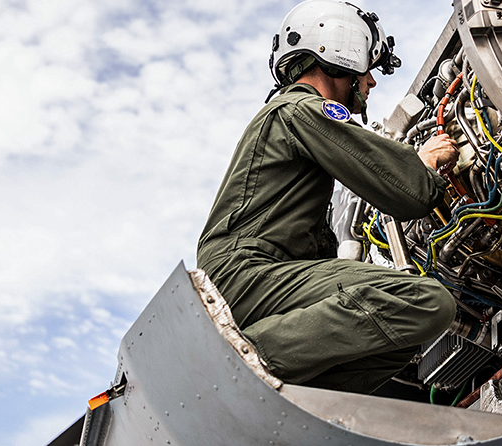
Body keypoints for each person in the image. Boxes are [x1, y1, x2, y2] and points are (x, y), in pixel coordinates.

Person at [196, 0, 461, 394]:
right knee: (426, 302)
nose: (371, 82)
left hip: (258, 275)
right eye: (368, 69)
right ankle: (239, 366)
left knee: (395, 345)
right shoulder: (299, 109)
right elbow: (411, 194)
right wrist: (422, 164)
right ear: (342, 53)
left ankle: (289, 400)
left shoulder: (292, 117)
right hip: (246, 273)